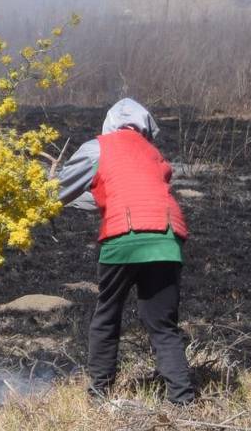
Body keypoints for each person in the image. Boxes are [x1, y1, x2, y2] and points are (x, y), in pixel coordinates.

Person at [58, 98, 196, 405]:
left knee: (107, 315)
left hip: (124, 238)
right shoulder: (154, 154)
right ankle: (183, 400)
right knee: (163, 325)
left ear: (109, 123)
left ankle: (99, 394)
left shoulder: (98, 147)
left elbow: (59, 190)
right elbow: (130, 190)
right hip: (167, 238)